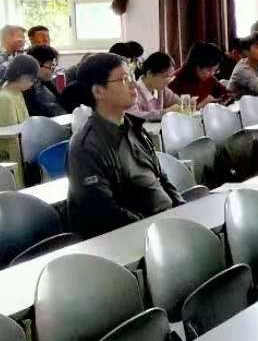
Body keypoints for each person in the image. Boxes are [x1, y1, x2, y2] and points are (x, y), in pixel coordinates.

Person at [67, 52, 179, 238]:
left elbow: (162, 179)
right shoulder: (86, 146)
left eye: (132, 77)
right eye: (124, 79)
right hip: (131, 236)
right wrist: (154, 230)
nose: (134, 85)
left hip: (162, 225)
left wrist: (182, 209)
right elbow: (104, 211)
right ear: (98, 92)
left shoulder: (136, 129)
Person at [130, 52, 181, 120]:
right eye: (164, 77)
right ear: (149, 73)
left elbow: (179, 102)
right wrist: (165, 112)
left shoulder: (161, 89)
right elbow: (134, 116)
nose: (168, 82)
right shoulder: (133, 92)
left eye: (170, 78)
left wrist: (189, 102)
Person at [23, 45, 67, 118]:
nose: (53, 71)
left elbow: (61, 100)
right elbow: (39, 112)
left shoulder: (45, 82)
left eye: (54, 66)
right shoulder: (26, 90)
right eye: (50, 66)